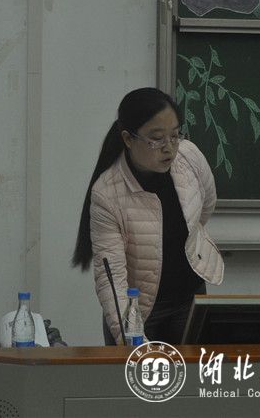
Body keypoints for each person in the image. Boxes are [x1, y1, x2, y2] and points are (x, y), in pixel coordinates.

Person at [72, 87, 224, 345]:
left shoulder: (189, 157)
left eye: (175, 135)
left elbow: (206, 205)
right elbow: (112, 279)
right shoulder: (107, 194)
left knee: (193, 371)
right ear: (128, 139)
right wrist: (133, 340)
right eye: (156, 139)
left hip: (190, 299)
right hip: (136, 310)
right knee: (139, 371)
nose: (169, 148)